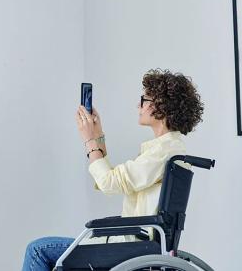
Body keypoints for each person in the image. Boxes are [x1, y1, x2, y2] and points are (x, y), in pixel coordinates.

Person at [21, 69, 204, 271]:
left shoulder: (163, 151)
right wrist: (98, 136)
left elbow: (109, 182)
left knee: (37, 250)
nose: (138, 105)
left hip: (132, 246)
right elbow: (116, 178)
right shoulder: (169, 148)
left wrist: (89, 140)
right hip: (139, 243)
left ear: (159, 106)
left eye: (144, 100)